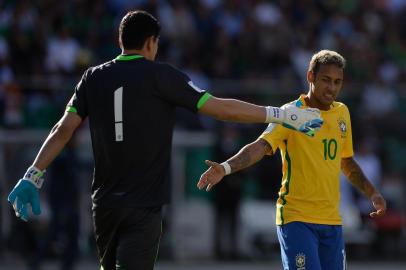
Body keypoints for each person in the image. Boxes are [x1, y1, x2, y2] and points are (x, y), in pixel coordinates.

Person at [6, 11, 323, 270]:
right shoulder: (162, 76)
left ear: (121, 41)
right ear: (151, 43)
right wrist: (280, 114)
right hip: (143, 206)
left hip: (104, 205)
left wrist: (32, 174)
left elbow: (62, 129)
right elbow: (223, 109)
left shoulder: (92, 77)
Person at [197, 50, 387, 270]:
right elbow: (260, 147)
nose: (332, 88)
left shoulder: (342, 113)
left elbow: (346, 161)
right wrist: (226, 167)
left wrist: (372, 192)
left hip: (332, 220)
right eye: (326, 80)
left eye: (337, 82)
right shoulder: (291, 114)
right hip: (297, 219)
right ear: (310, 77)